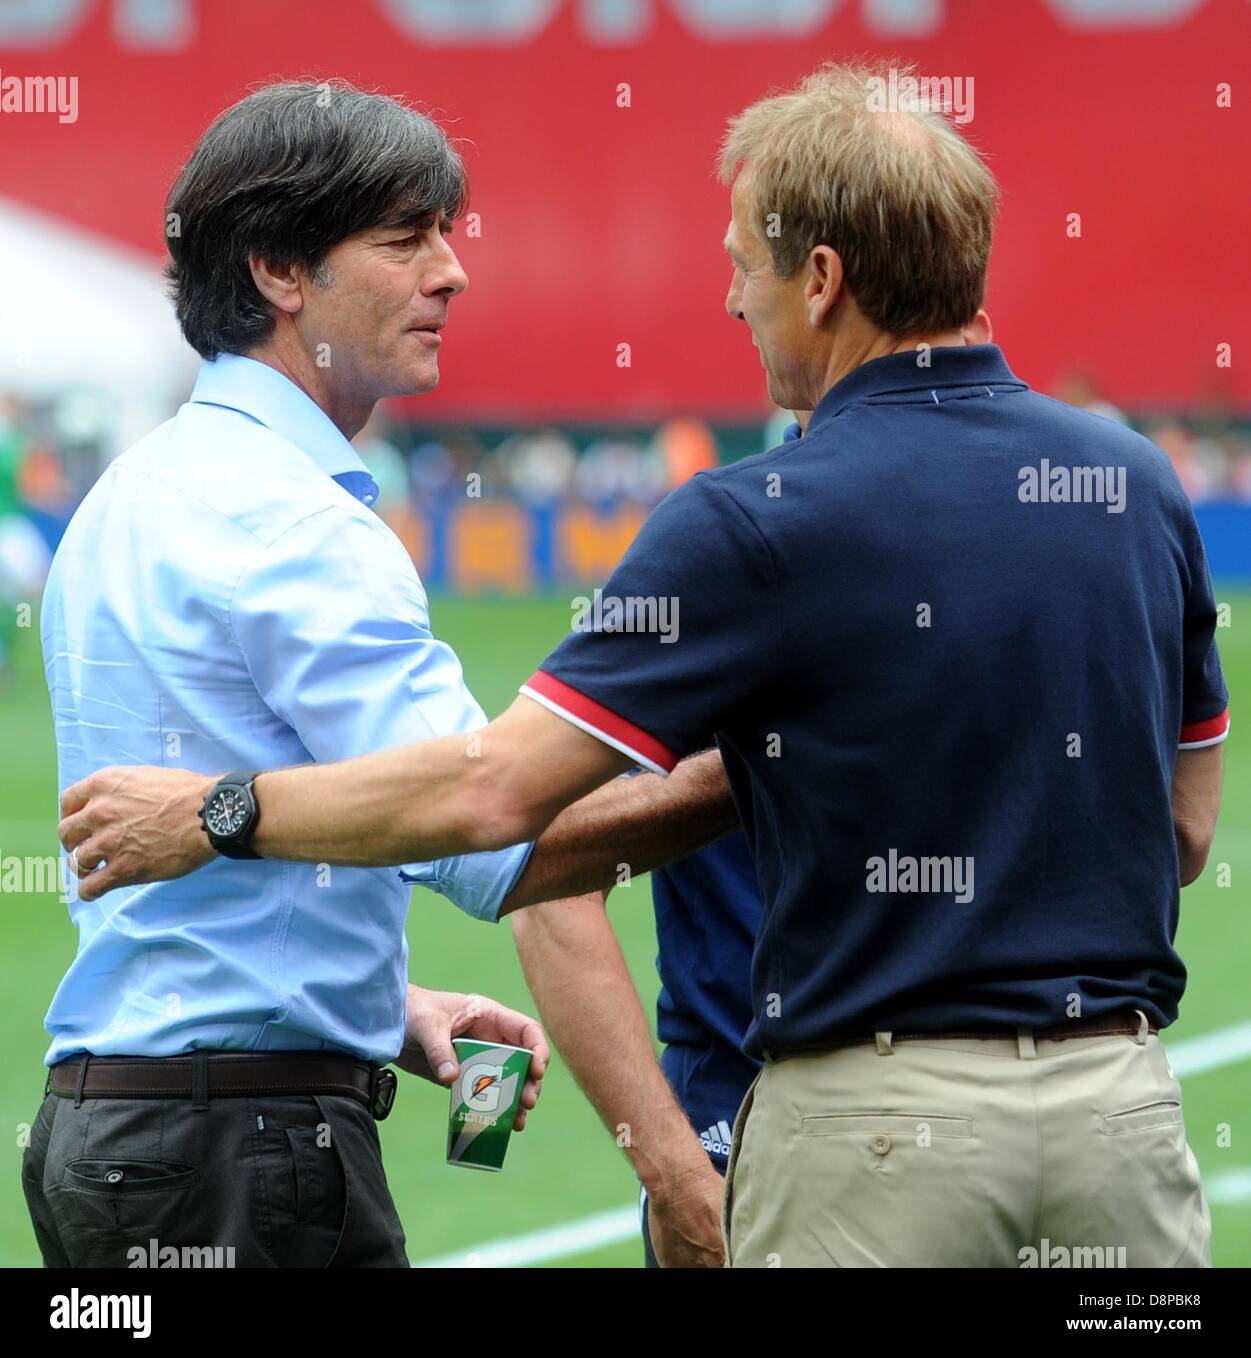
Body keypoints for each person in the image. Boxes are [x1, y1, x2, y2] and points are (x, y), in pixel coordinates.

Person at [61, 62, 1228, 1268]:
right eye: (411, 239)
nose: (733, 301)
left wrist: (222, 815)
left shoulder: (751, 519)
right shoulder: (1134, 484)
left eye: (744, 266)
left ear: (821, 281)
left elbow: (490, 802)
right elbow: (1188, 833)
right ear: (277, 271)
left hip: (874, 1141)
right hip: (1124, 1126)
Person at [25, 81, 735, 1269]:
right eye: (406, 240)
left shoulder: (132, 494)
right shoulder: (295, 520)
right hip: (238, 1147)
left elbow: (201, 867)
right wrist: (770, 767)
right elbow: (498, 834)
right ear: (278, 272)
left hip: (117, 1128)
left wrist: (381, 1009)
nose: (452, 271)